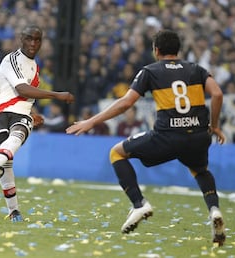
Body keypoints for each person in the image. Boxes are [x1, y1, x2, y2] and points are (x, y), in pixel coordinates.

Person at [66, 30, 226, 246]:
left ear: (156, 50)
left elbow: (125, 103)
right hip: (198, 136)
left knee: (117, 153)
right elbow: (217, 94)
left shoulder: (150, 71)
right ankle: (214, 210)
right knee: (200, 170)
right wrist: (214, 126)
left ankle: (139, 204)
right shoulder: (196, 69)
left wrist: (92, 121)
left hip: (167, 136)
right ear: (178, 50)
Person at [0, 25, 74, 222]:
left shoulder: (35, 68)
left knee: (17, 136)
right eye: (29, 38)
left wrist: (33, 112)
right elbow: (22, 89)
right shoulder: (11, 59)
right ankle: (13, 210)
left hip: (21, 114)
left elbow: (26, 98)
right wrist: (57, 95)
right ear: (22, 38)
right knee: (7, 159)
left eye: (37, 40)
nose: (33, 43)